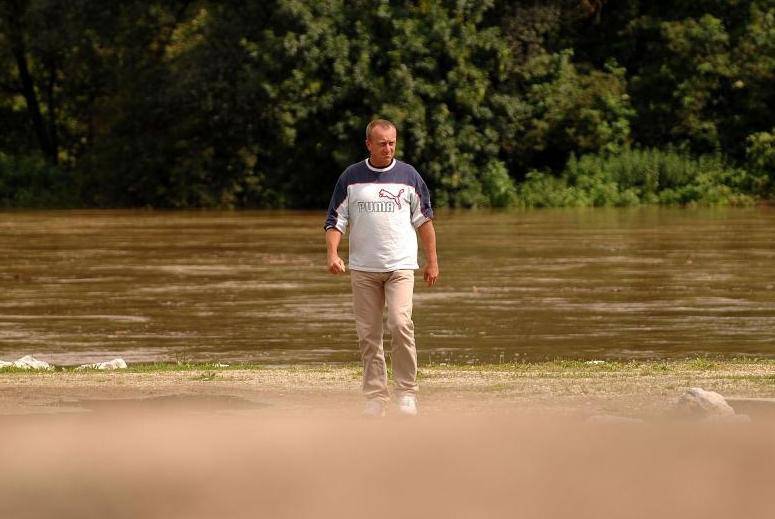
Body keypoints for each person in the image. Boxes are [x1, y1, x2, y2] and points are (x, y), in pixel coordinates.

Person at [324, 119, 438, 417]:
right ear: (369, 144)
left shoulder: (409, 176)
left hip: (400, 265)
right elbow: (336, 220)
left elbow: (424, 221)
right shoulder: (351, 177)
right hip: (363, 269)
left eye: (392, 142)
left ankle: (407, 394)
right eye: (382, 143)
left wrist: (432, 261)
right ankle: (375, 397)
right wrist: (333, 253)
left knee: (401, 324)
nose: (388, 148)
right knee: (368, 334)